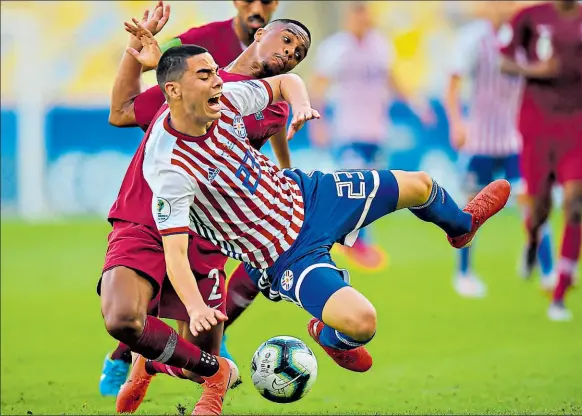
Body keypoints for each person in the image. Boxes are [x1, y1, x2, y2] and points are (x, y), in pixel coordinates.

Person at [143, 40, 510, 381]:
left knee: (420, 185)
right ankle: (332, 338)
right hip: (284, 254)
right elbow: (175, 254)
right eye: (204, 75)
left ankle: (461, 226)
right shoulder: (170, 167)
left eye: (215, 72)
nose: (217, 82)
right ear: (174, 90)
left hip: (312, 195)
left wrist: (301, 105)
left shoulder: (226, 98)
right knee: (362, 322)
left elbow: (286, 81)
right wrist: (194, 308)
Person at [107, 13, 313, 413]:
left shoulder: (269, 108)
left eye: (299, 53)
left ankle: (152, 363)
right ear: (259, 34)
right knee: (124, 317)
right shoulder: (189, 83)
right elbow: (121, 112)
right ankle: (131, 361)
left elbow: (282, 167)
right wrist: (135, 55)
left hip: (207, 231)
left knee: (196, 361)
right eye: (286, 40)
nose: (290, 54)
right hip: (151, 217)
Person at [309, 1, 433, 271]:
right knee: (356, 187)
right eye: (358, 15)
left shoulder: (380, 45)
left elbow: (392, 79)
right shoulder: (335, 49)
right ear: (349, 17)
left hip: (376, 130)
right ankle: (355, 244)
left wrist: (416, 105)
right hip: (348, 130)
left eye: (365, 14)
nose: (362, 20)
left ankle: (354, 241)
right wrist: (317, 123)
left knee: (371, 190)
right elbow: (318, 87)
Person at [445, 1, 555, 298]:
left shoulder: (529, 39)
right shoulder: (472, 39)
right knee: (471, 211)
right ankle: (464, 274)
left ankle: (548, 273)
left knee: (531, 204)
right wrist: (457, 123)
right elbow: (453, 84)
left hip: (515, 141)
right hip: (480, 141)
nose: (502, 8)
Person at [499, 0, 582, 321]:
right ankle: (533, 240)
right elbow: (505, 62)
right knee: (539, 207)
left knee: (575, 202)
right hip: (537, 123)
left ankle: (560, 292)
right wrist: (535, 69)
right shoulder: (530, 17)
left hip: (578, 123)